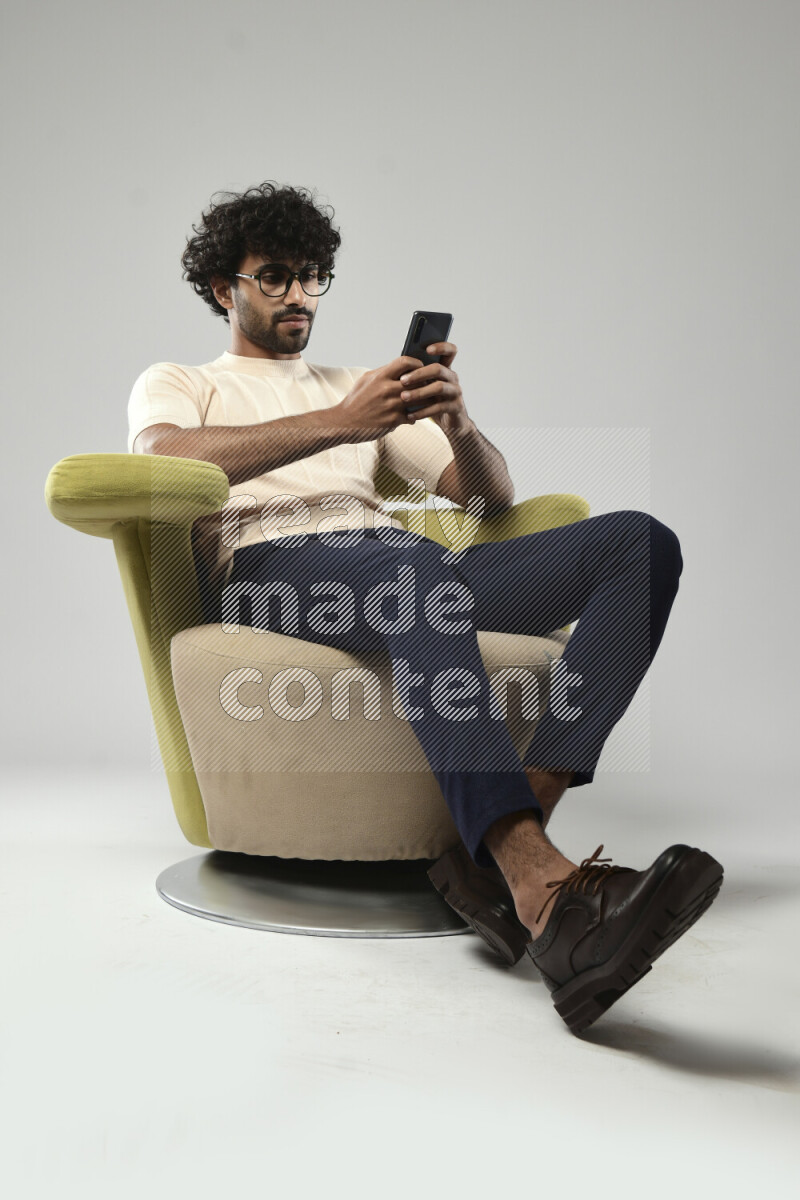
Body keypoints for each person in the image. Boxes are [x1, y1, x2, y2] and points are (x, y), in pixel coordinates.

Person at [129, 180, 723, 1036]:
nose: (298, 295)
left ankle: (510, 840)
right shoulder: (185, 381)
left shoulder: (357, 387)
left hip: (405, 566)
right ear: (226, 288)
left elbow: (483, 501)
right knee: (417, 583)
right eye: (274, 278)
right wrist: (340, 423)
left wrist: (459, 424)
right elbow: (165, 456)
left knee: (638, 544)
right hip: (272, 571)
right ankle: (542, 892)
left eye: (310, 276)